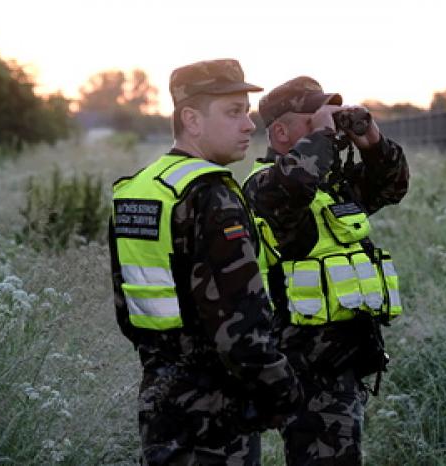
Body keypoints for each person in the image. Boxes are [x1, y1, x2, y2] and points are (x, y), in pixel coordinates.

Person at [108, 59, 302, 465]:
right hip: (217, 414)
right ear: (192, 120)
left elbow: (129, 309)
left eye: (247, 112)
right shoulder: (212, 195)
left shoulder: (139, 189)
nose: (249, 125)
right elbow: (240, 326)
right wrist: (283, 390)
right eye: (234, 112)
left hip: (160, 399)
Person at [242, 76, 410, 466]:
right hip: (303, 366)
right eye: (314, 119)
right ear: (280, 131)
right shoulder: (264, 187)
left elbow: (392, 186)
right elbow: (294, 183)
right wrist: (323, 136)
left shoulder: (330, 188)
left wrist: (371, 138)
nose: (331, 127)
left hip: (340, 361)